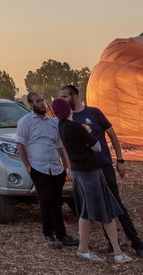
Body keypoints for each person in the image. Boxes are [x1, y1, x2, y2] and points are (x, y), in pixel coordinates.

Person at [60, 84, 143, 261]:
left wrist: (120, 159)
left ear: (75, 96)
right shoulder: (67, 120)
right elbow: (64, 146)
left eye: (64, 97)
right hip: (86, 169)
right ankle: (111, 244)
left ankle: (137, 244)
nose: (62, 101)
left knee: (116, 205)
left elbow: (112, 134)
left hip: (103, 164)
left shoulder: (94, 113)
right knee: (96, 206)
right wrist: (69, 167)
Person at [53, 98, 132, 264]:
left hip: (81, 171)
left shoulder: (61, 126)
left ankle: (108, 250)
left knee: (89, 211)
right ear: (68, 110)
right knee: (101, 210)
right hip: (90, 172)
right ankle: (95, 250)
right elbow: (97, 147)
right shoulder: (75, 127)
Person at [15, 92, 76, 248]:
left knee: (57, 201)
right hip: (38, 167)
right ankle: (48, 234)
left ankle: (62, 234)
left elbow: (59, 145)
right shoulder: (25, 122)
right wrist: (27, 166)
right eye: (37, 101)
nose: (42, 103)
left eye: (42, 100)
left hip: (56, 169)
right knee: (46, 200)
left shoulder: (53, 122)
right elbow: (20, 145)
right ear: (30, 105)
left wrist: (66, 166)